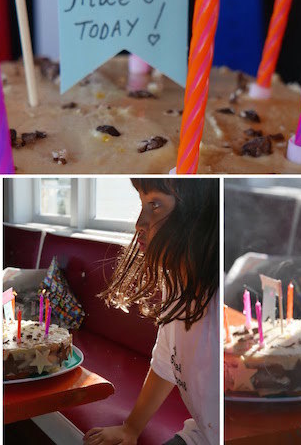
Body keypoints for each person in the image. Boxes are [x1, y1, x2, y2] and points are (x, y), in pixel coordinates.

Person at [84, 178, 219, 445]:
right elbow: (165, 363)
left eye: (154, 205)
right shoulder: (176, 283)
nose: (139, 223)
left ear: (198, 213)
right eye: (142, 204)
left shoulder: (218, 306)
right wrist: (130, 428)